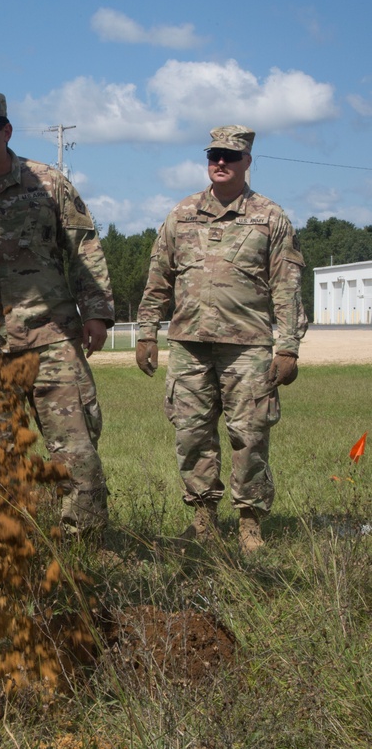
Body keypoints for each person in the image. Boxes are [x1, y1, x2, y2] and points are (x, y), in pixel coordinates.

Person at [0, 91, 115, 538]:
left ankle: (86, 543)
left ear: (5, 130)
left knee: (75, 449)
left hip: (54, 338)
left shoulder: (48, 183)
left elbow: (83, 246)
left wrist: (97, 313)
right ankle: (4, 545)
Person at [135, 125, 307, 552]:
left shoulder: (269, 218)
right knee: (191, 434)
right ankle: (202, 519)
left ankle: (249, 521)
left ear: (247, 161)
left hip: (247, 348)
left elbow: (287, 286)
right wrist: (146, 333)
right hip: (189, 345)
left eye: (230, 156)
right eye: (214, 155)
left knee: (249, 435)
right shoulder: (182, 214)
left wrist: (287, 347)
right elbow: (158, 277)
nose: (221, 163)